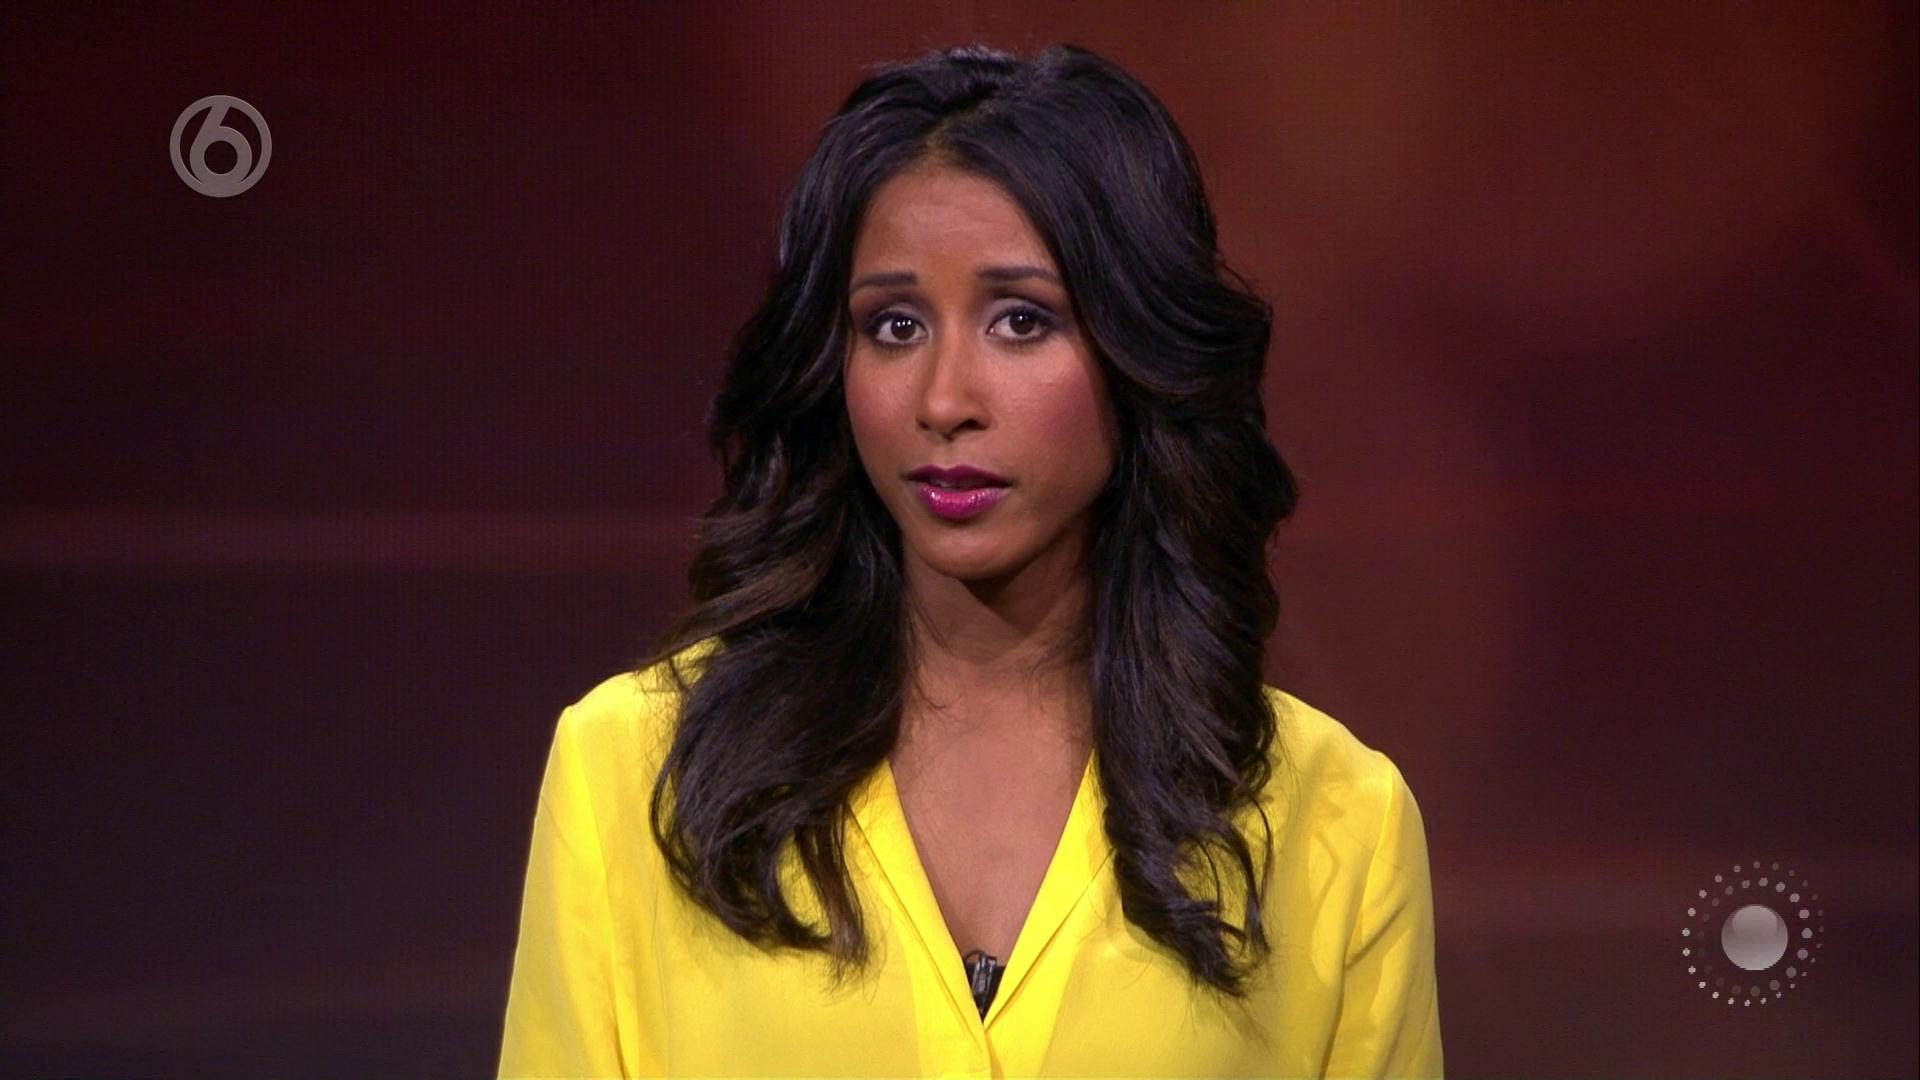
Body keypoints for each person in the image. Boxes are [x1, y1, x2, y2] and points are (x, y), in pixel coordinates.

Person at [498, 41, 1442, 1079]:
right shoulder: (634, 775)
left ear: (1139, 351)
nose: (945, 399)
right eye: (894, 325)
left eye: (1020, 321)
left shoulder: (1335, 822)